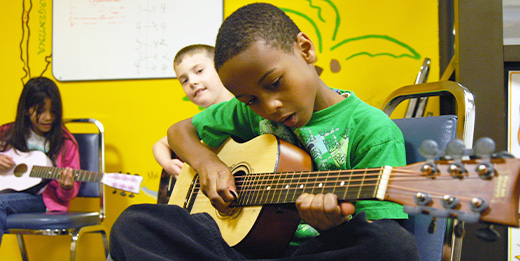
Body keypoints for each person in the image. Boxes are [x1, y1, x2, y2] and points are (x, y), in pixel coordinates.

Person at [109, 3, 419, 260]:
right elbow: (180, 131)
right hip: (239, 252)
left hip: (311, 253)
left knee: (393, 245)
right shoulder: (247, 111)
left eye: (274, 83)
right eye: (250, 99)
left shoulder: (372, 129)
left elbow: (381, 231)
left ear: (305, 49)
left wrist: (333, 227)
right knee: (133, 224)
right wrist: (207, 163)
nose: (269, 106)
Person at [0, 77, 81, 245]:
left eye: (53, 111)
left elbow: (66, 195)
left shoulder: (65, 142)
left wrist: (66, 187)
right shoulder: (7, 133)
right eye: (41, 111)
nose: (48, 117)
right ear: (26, 109)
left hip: (40, 199)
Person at [152, 44, 233, 203]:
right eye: (184, 80)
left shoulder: (244, 110)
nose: (192, 82)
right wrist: (168, 164)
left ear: (220, 67)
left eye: (199, 71)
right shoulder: (198, 123)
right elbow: (159, 145)